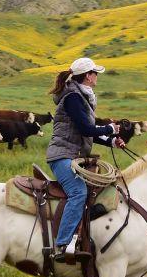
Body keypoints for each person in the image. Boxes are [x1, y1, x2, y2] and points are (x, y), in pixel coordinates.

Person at [46, 57, 126, 263]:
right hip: (62, 155)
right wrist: (109, 128)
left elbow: (88, 133)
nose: (97, 77)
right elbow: (85, 129)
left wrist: (111, 141)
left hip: (72, 156)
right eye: (95, 73)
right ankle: (61, 245)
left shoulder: (81, 97)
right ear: (88, 76)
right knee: (78, 192)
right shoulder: (73, 97)